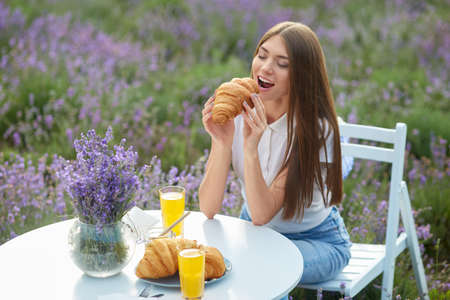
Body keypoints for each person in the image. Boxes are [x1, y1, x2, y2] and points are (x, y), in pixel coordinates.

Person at [199, 21, 352, 289]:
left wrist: (250, 147)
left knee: (261, 270)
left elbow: (262, 213)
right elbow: (209, 208)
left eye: (282, 63)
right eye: (262, 54)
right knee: (211, 267)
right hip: (259, 234)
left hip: (318, 240)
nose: (266, 67)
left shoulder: (316, 130)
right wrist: (221, 143)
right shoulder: (237, 109)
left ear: (302, 75)